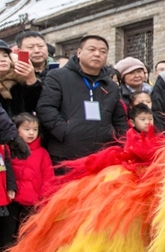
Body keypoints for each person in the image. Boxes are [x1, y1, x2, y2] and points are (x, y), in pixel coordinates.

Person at [36, 35, 129, 168]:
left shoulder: (111, 85)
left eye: (103, 52)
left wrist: (120, 142)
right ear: (79, 53)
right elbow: (46, 108)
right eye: (92, 49)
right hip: (66, 154)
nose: (97, 54)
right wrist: (65, 132)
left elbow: (119, 118)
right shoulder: (58, 76)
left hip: (102, 155)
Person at [2, 114, 52, 245]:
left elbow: (48, 178)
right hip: (11, 200)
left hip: (31, 202)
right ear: (16, 130)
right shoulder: (8, 149)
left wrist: (44, 200)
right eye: (27, 129)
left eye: (35, 130)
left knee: (27, 234)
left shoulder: (42, 153)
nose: (31, 133)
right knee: (8, 232)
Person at [0, 40, 40, 116]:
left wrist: (31, 80)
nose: (3, 59)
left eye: (5, 56)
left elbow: (37, 105)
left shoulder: (19, 80)